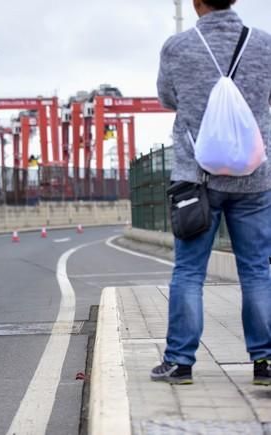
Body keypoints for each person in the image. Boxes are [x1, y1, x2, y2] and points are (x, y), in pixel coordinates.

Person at [151, 0, 271, 385]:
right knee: (256, 271)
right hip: (253, 177)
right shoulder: (264, 44)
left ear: (195, 3)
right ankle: (265, 363)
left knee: (189, 272)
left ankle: (180, 363)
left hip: (195, 179)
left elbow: (168, 98)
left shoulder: (177, 47)